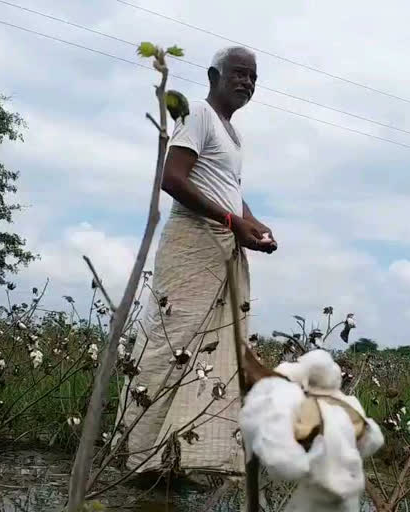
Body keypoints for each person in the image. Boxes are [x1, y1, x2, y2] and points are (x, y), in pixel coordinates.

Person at [115, 46, 277, 478]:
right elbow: (171, 178)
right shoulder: (199, 115)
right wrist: (230, 220)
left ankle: (188, 457)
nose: (247, 82)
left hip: (222, 244)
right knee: (171, 341)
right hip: (193, 242)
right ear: (213, 76)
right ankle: (138, 453)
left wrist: (252, 222)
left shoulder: (232, 135)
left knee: (213, 347)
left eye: (253, 77)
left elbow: (227, 187)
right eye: (238, 74)